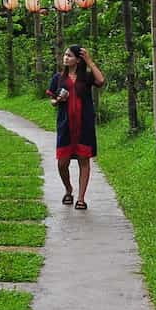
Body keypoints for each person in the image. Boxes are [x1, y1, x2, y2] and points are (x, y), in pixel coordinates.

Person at [47, 45, 106, 210]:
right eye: (65, 55)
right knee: (62, 163)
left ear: (78, 60)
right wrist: (58, 100)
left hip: (84, 125)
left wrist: (90, 61)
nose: (66, 58)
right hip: (65, 125)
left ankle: (81, 198)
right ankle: (68, 189)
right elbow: (52, 101)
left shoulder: (86, 78)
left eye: (70, 56)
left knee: (83, 160)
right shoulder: (58, 78)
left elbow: (100, 81)